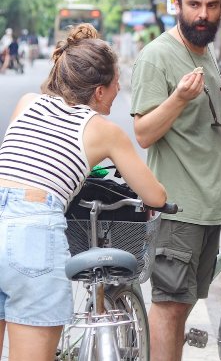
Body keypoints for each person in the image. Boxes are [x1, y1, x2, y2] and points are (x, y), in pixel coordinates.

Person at [0, 24, 167, 361]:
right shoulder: (103, 130)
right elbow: (155, 197)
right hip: (32, 234)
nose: (121, 88)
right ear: (100, 91)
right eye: (117, 82)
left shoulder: (27, 102)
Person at [130, 0, 221, 360]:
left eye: (211, 4)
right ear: (176, 4)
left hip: (208, 209)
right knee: (170, 305)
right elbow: (142, 134)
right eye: (194, 4)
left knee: (183, 305)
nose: (203, 13)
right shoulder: (157, 57)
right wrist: (177, 99)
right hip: (177, 209)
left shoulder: (205, 53)